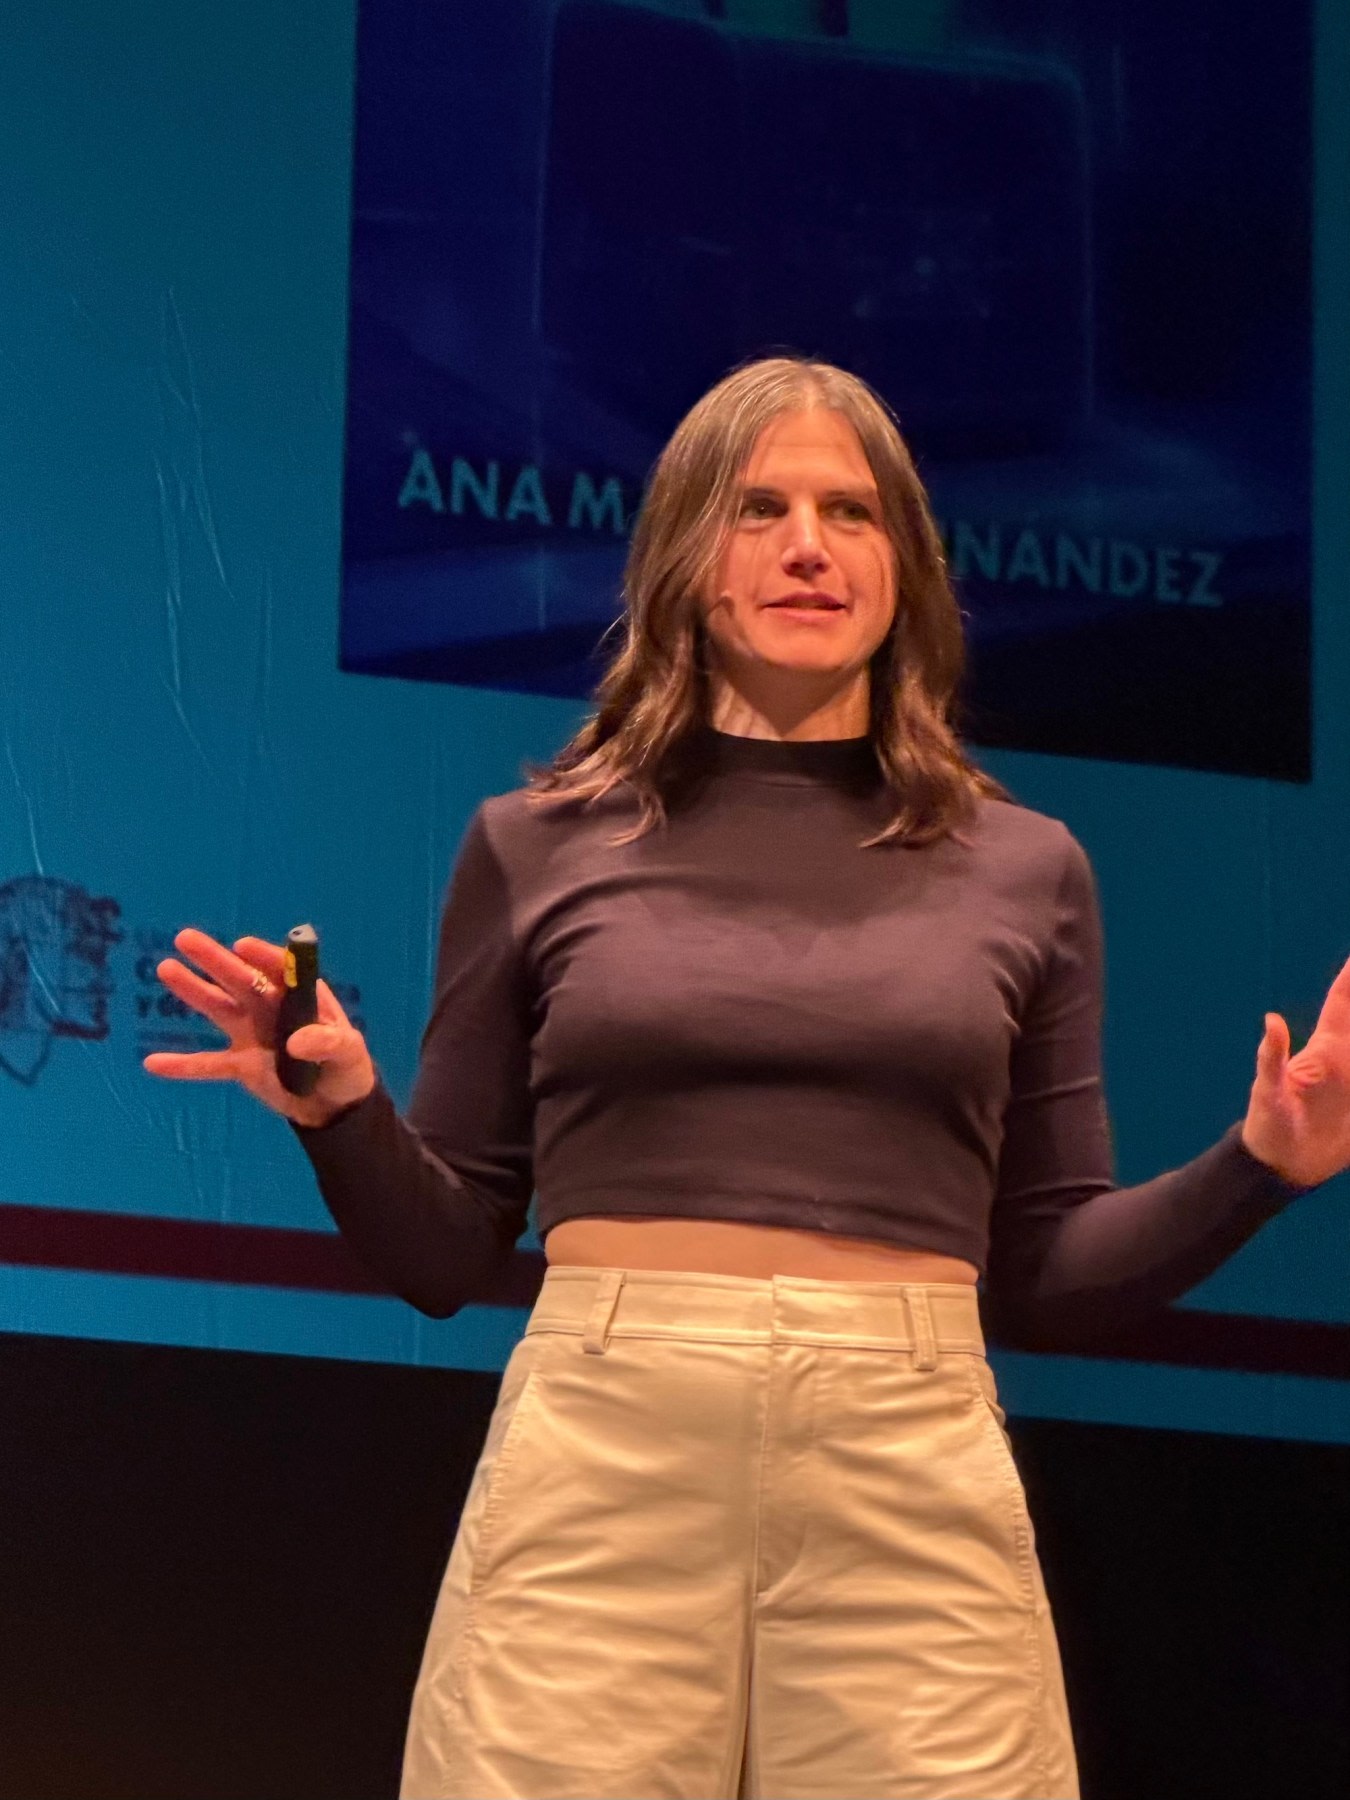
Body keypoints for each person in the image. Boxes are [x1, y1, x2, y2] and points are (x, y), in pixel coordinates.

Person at [144, 357, 1350, 1800]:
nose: (807, 547)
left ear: (906, 568)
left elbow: (1045, 1277)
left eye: (852, 512)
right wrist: (341, 1111)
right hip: (606, 1449)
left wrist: (1261, 1166)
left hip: (910, 1464)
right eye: (759, 508)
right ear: (683, 555)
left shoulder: (1026, 869)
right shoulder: (536, 842)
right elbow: (447, 1252)